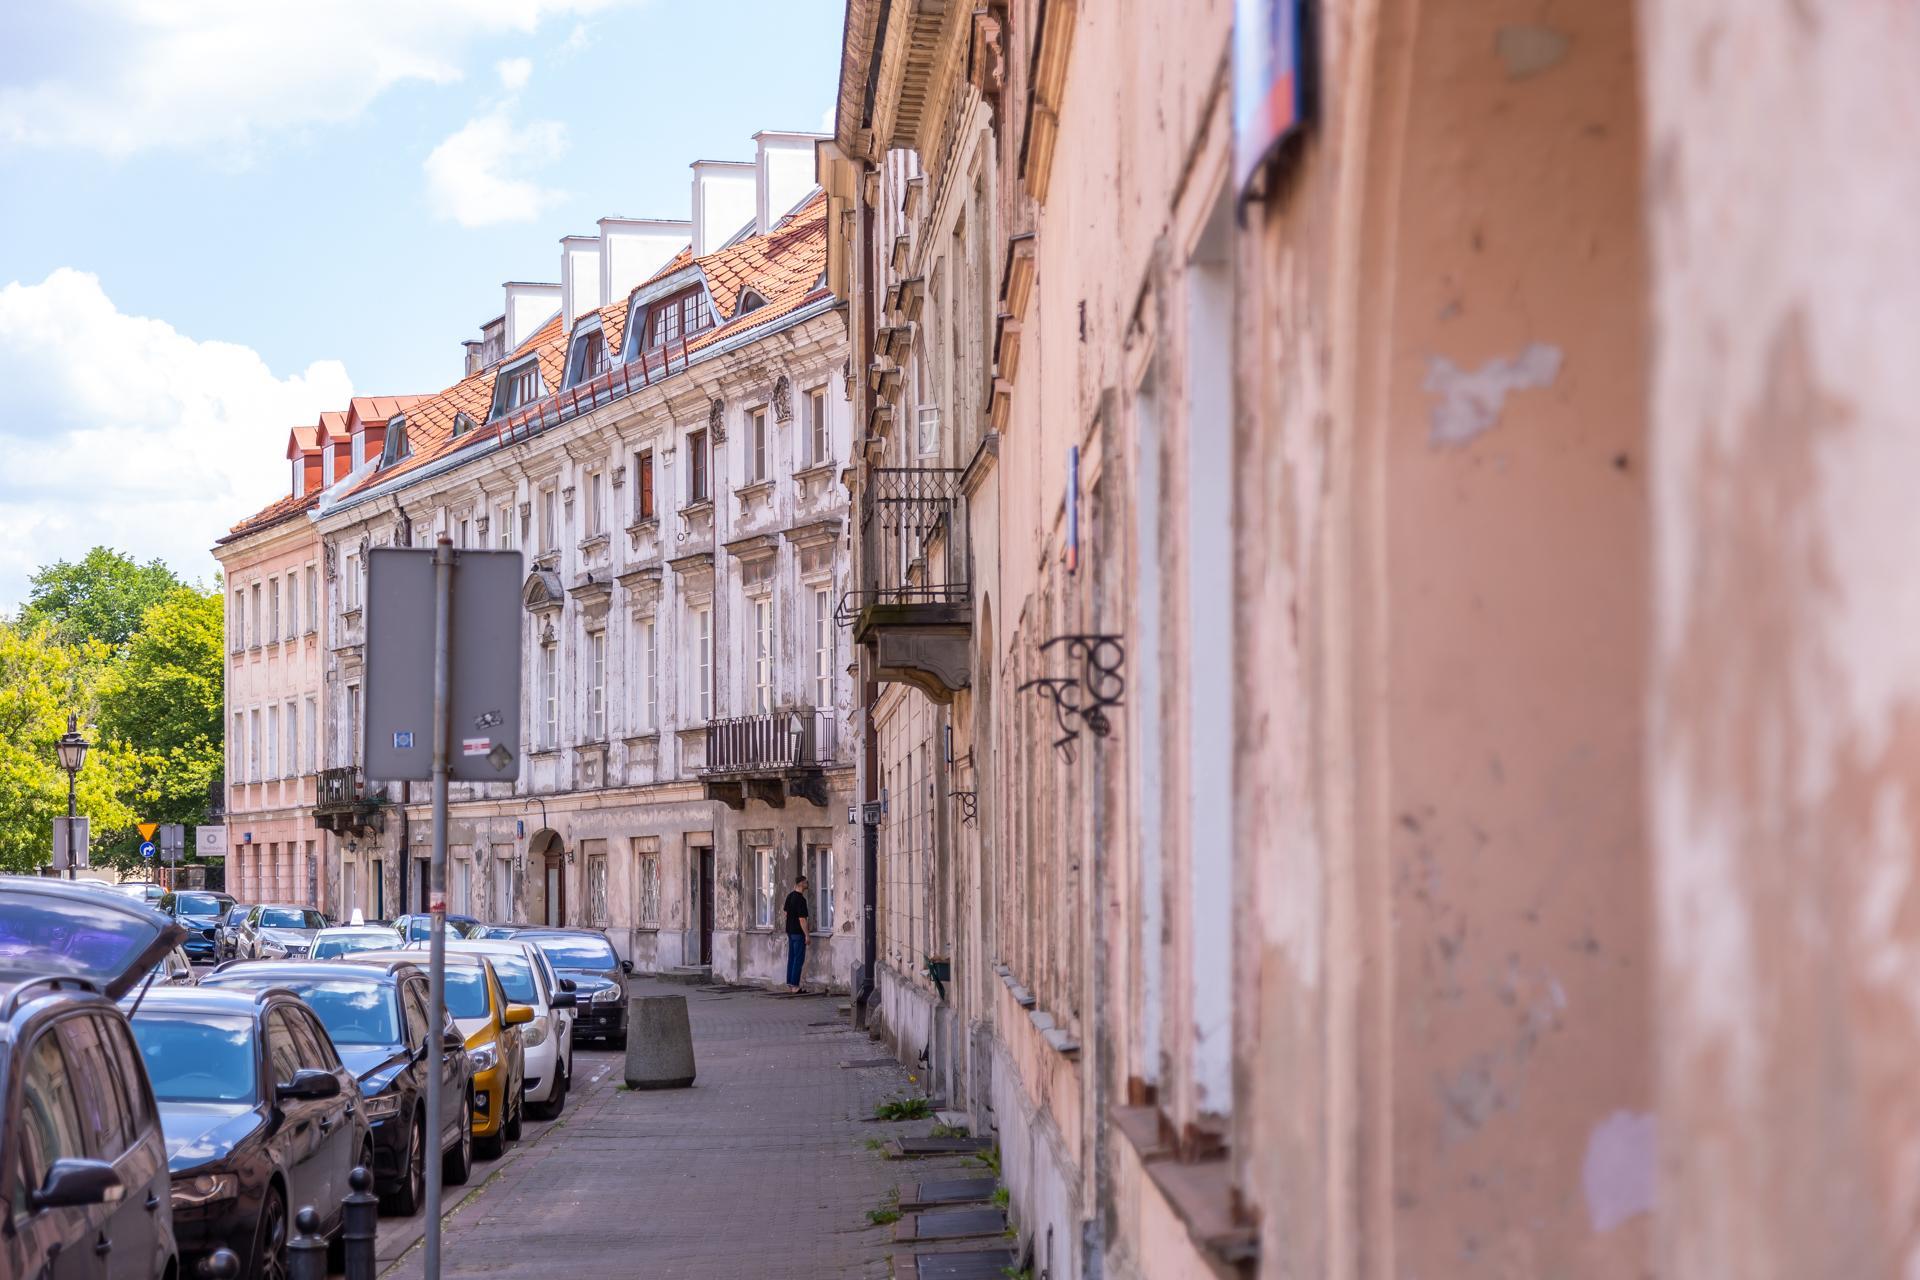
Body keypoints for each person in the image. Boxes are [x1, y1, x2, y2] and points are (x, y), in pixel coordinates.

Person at [783, 874, 811, 993]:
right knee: (798, 959)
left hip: (790, 931)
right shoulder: (801, 900)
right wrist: (807, 935)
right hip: (798, 933)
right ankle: (795, 985)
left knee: (792, 958)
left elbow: (785, 913)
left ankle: (790, 983)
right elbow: (802, 919)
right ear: (801, 884)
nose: (807, 885)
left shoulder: (789, 896)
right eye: (806, 882)